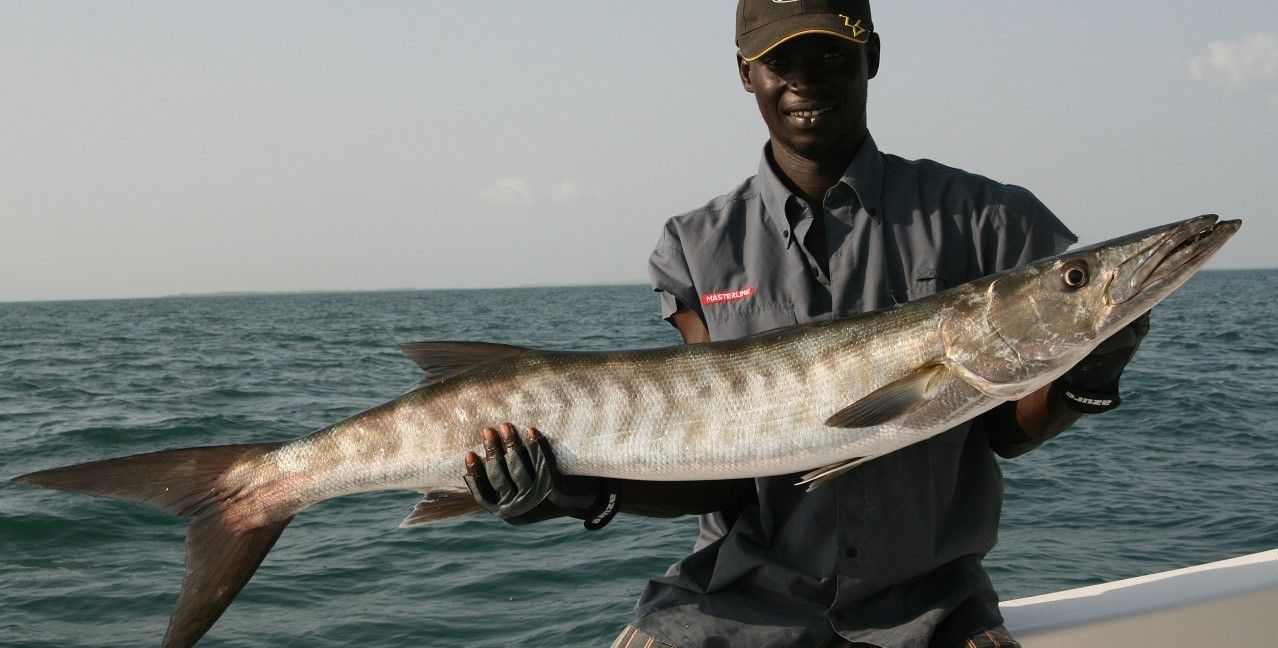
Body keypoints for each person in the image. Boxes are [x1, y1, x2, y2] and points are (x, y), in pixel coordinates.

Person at [462, 1, 1149, 646]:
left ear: (871, 55)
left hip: (932, 608)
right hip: (732, 605)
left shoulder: (985, 217)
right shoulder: (696, 244)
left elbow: (1003, 430)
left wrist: (1086, 378)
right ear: (745, 74)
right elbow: (712, 467)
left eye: (829, 56)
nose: (804, 82)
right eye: (780, 62)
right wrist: (567, 492)